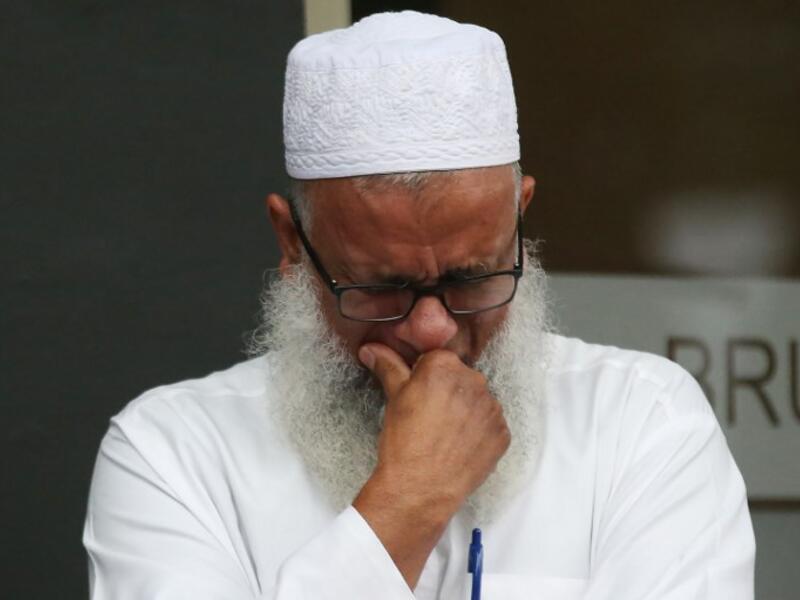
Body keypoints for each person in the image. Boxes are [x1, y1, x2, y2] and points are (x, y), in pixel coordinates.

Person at [83, 11, 755, 599]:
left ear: (518, 221)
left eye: (471, 278)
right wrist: (406, 505)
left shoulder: (643, 425)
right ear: (292, 244)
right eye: (381, 288)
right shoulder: (174, 456)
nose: (433, 330)